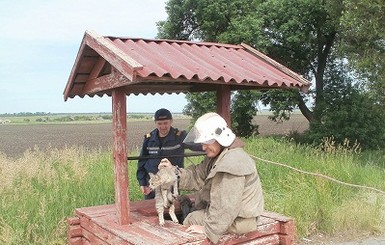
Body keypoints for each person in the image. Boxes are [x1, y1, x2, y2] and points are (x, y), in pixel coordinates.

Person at [159, 112, 264, 244]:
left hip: (240, 221)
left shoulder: (231, 164)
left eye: (206, 142)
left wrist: (208, 230)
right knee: (194, 214)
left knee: (191, 220)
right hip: (234, 217)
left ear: (220, 137)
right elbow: (197, 175)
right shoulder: (219, 156)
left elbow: (225, 206)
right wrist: (174, 173)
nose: (203, 147)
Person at [136, 108, 201, 199]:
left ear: (171, 121)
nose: (163, 127)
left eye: (165, 123)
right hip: (152, 186)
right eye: (159, 124)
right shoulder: (149, 139)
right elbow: (142, 162)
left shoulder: (180, 137)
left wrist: (215, 145)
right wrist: (142, 183)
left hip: (171, 185)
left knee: (172, 211)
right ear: (155, 123)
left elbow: (199, 146)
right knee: (151, 209)